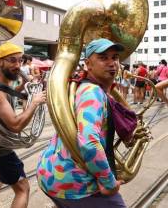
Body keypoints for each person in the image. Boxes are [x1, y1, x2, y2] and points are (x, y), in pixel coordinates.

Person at [37, 38, 127, 207]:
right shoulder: (93, 92)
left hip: (52, 174)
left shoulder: (81, 87)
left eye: (115, 57)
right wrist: (108, 183)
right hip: (75, 183)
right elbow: (89, 142)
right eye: (103, 57)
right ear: (88, 64)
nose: (112, 63)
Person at [0, 42, 46, 208]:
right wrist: (34, 103)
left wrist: (23, 85)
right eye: (12, 61)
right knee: (23, 189)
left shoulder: (1, 83)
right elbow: (15, 125)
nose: (17, 65)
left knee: (0, 175)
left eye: (20, 61)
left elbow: (11, 95)